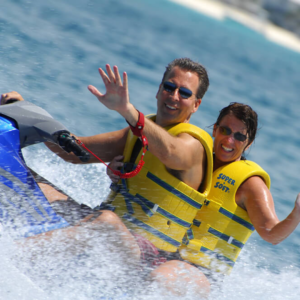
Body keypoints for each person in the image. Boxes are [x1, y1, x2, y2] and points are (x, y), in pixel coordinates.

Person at [1, 58, 214, 297]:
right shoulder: (134, 134)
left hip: (146, 257)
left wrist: (127, 110)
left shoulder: (193, 146)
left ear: (196, 104)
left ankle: (11, 257)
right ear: (158, 90)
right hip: (105, 229)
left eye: (184, 93)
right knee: (32, 180)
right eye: (169, 87)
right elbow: (73, 152)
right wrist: (28, 111)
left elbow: (170, 152)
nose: (174, 96)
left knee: (107, 223)